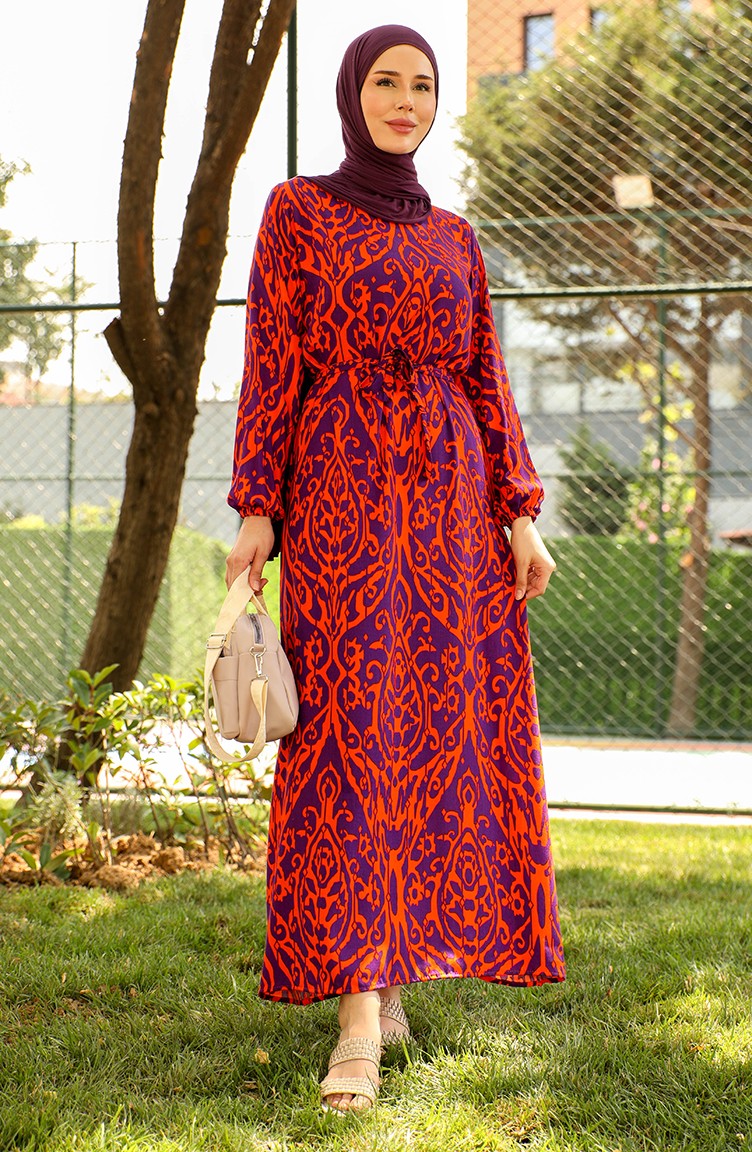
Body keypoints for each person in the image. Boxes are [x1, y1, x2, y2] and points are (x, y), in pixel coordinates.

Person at [225, 24, 565, 1116]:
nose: (404, 99)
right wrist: (258, 505)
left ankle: (392, 966)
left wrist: (519, 513)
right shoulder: (297, 210)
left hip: (452, 506)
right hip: (340, 492)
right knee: (348, 735)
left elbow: (484, 376)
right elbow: (271, 360)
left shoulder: (457, 237)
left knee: (433, 734)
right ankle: (357, 1018)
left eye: (421, 84)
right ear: (351, 92)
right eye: (385, 81)